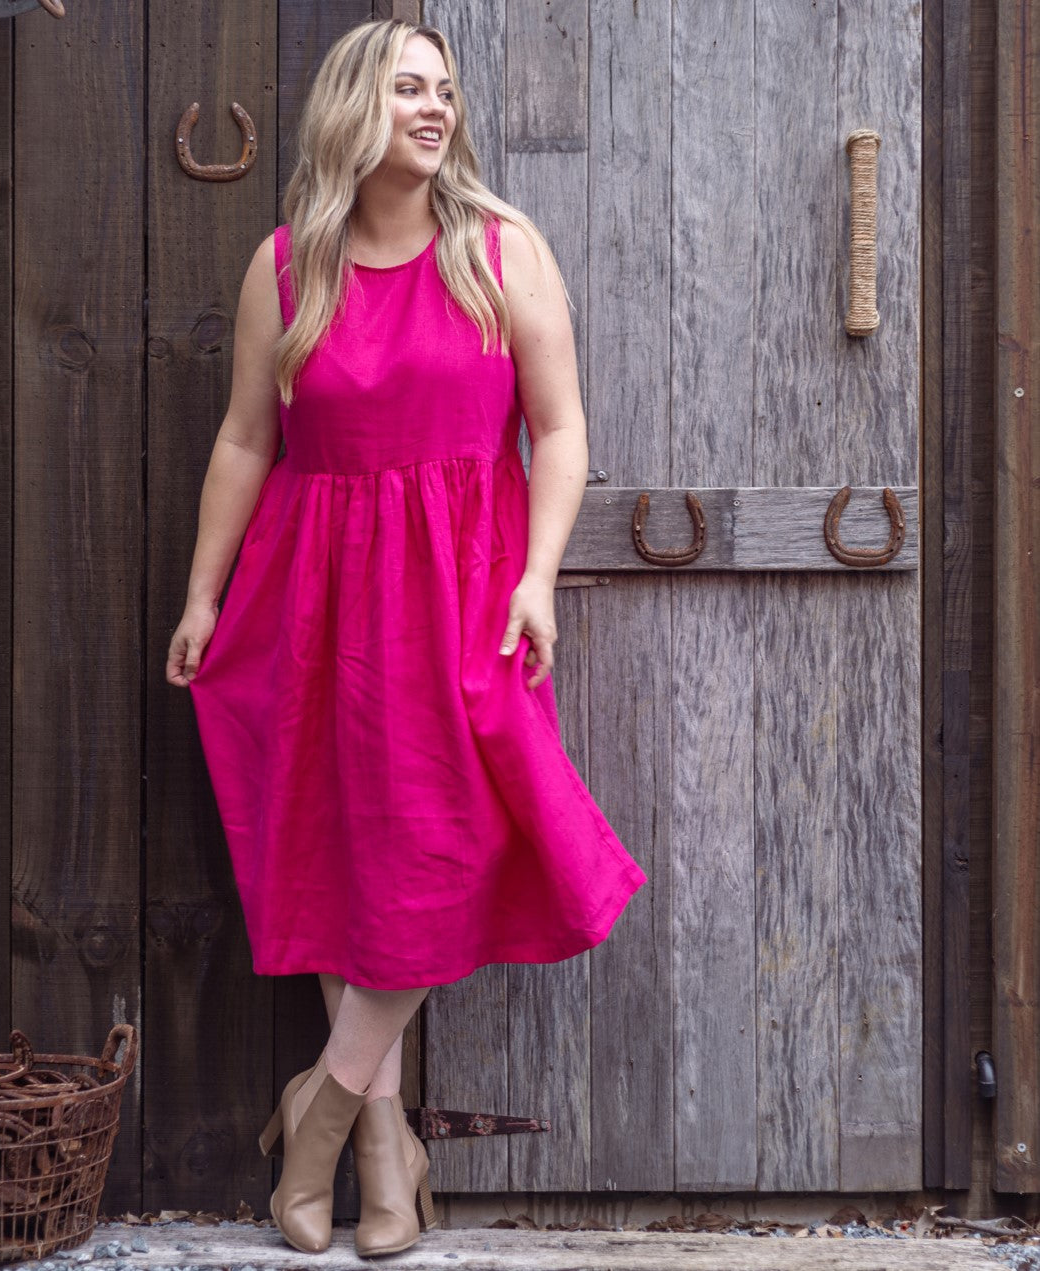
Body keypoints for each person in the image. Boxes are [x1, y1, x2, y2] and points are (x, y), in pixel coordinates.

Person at [165, 17, 647, 1259]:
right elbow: (241, 442)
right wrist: (204, 596)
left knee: (447, 834)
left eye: (444, 90)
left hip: (462, 586)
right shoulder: (289, 264)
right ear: (350, 109)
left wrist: (536, 578)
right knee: (338, 843)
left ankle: (320, 1111)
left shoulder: (498, 250)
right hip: (313, 585)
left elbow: (562, 430)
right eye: (406, 89)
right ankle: (388, 1144)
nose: (434, 109)